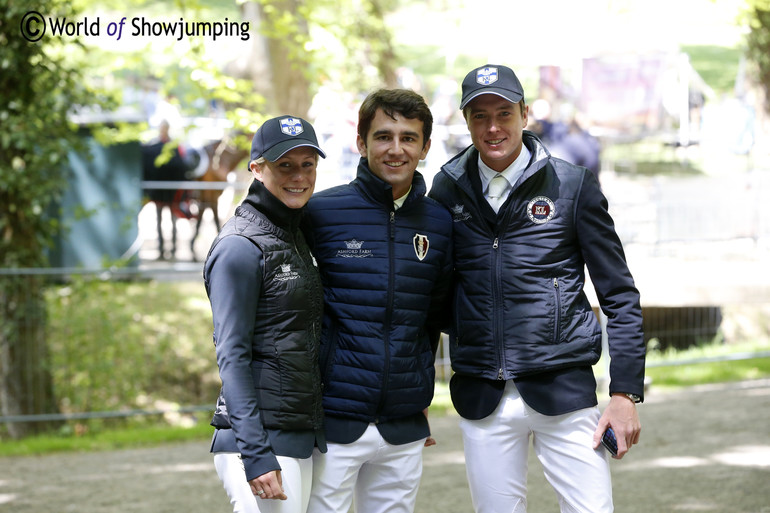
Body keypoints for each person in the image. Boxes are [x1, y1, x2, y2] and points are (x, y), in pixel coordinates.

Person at [429, 64, 645, 513]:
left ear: (524, 114)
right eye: (480, 115)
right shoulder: (445, 191)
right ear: (465, 120)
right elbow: (430, 299)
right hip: (481, 396)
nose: (493, 127)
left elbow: (619, 295)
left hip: (564, 392)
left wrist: (624, 395)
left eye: (504, 113)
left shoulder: (572, 185)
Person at [303, 88, 453, 513]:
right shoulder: (320, 212)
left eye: (408, 138)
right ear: (361, 142)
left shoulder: (440, 223)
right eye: (383, 136)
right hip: (333, 419)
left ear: (424, 147)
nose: (395, 149)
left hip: (404, 425)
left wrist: (419, 392)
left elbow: (434, 315)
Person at [203, 115, 328, 513]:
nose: (298, 176)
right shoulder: (239, 246)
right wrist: (255, 454)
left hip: (295, 433)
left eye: (307, 164)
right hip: (258, 443)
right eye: (285, 165)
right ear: (257, 169)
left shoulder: (294, 231)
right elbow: (232, 355)